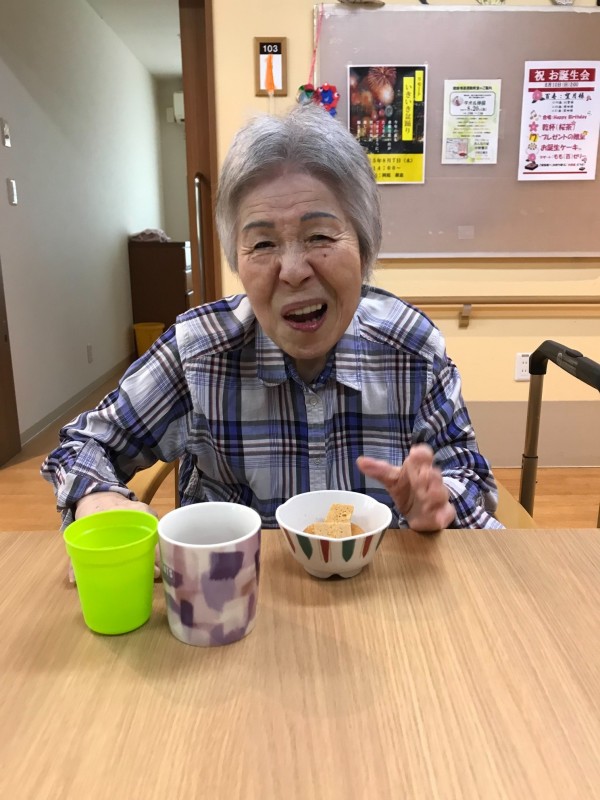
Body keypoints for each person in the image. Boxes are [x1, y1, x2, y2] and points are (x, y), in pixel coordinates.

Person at [41, 104, 502, 533]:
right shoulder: (197, 352)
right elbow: (86, 443)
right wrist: (98, 497)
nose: (294, 271)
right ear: (237, 261)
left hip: (381, 582)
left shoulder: (412, 347)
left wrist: (439, 502)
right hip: (239, 584)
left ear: (364, 248)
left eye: (319, 236)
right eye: (263, 244)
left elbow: (469, 475)